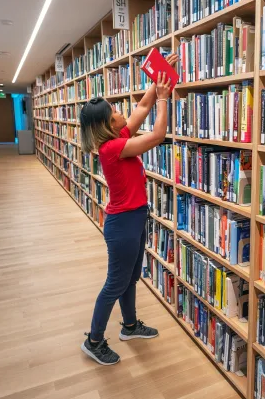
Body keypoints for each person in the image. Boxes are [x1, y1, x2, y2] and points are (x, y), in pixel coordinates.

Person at [79, 53, 178, 365]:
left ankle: (130, 326)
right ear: (109, 123)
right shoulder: (112, 149)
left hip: (135, 218)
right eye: (116, 111)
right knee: (115, 283)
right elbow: (158, 134)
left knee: (131, 275)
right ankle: (94, 340)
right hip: (122, 225)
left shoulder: (117, 137)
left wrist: (160, 77)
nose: (123, 112)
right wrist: (165, 98)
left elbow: (143, 107)